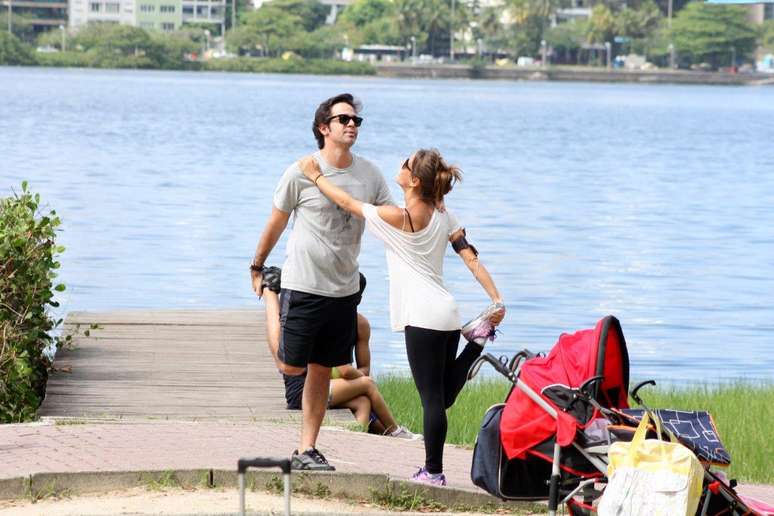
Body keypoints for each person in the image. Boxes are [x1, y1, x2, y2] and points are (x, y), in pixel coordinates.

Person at [300, 149, 505, 486]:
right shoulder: (443, 215)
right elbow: (471, 258)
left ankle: (434, 472)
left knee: (433, 400)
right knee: (444, 396)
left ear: (413, 180)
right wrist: (496, 298)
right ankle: (476, 340)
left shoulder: (398, 218)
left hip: (422, 317)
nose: (399, 166)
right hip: (448, 314)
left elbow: (349, 204)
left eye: (404, 165)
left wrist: (316, 176)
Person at [249, 93, 394, 471]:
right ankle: (271, 297)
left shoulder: (370, 175)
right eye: (343, 119)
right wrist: (257, 264)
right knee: (291, 366)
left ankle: (306, 450)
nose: (351, 125)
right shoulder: (301, 171)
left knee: (318, 369)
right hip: (302, 283)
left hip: (343, 290)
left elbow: (385, 219)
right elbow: (277, 221)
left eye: (356, 121)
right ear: (323, 127)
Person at [260, 266, 419, 440]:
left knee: (363, 402)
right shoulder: (330, 318)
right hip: (303, 390)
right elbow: (346, 371)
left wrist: (347, 378)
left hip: (324, 386)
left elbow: (362, 369)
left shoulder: (360, 324)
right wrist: (349, 377)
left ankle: (354, 437)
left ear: (358, 298)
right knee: (368, 385)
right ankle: (395, 431)